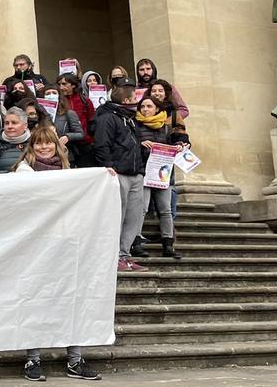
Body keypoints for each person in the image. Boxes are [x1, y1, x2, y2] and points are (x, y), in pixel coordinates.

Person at [12, 123, 104, 383]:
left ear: (56, 145)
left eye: (48, 142)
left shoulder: (67, 172)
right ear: (31, 146)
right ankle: (33, 358)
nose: (43, 146)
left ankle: (75, 359)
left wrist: (103, 177)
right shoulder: (24, 171)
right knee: (35, 300)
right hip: (36, 247)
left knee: (71, 299)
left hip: (66, 244)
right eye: (39, 142)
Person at [93, 80, 150, 271]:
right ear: (126, 99)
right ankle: (113, 256)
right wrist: (109, 166)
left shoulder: (130, 118)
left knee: (133, 217)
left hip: (135, 174)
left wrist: (141, 170)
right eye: (134, 98)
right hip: (119, 174)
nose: (137, 101)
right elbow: (102, 145)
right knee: (118, 216)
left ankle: (125, 255)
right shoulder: (108, 117)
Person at [135, 96, 188, 259]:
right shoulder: (135, 126)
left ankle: (168, 243)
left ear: (157, 109)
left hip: (163, 174)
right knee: (141, 209)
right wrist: (140, 144)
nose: (145, 109)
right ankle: (135, 242)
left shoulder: (166, 128)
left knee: (165, 209)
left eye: (149, 106)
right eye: (142, 106)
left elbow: (181, 139)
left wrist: (180, 145)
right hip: (145, 172)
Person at [57, 73, 96, 164]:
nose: (61, 87)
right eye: (59, 84)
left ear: (73, 85)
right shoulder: (58, 101)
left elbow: (92, 120)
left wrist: (89, 139)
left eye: (64, 84)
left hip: (84, 144)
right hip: (65, 144)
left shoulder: (85, 100)